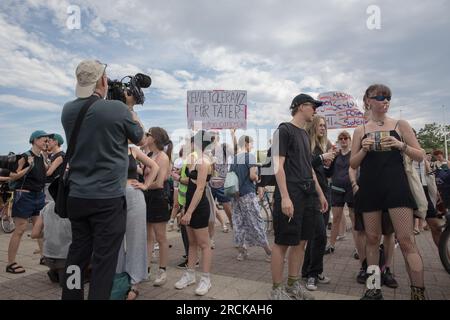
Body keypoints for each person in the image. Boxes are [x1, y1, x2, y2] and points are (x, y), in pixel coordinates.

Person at [61, 60, 145, 300]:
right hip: (107, 198)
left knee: (77, 254)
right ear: (103, 81)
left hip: (77, 197)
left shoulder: (67, 109)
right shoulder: (117, 110)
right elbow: (139, 138)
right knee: (104, 261)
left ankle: (71, 296)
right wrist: (128, 106)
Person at [351, 84, 425, 300]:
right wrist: (364, 149)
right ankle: (373, 288)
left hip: (396, 188)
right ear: (368, 100)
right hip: (371, 190)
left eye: (388, 97)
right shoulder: (360, 130)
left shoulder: (400, 125)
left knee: (405, 239)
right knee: (372, 239)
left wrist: (399, 145)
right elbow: (353, 164)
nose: (385, 100)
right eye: (380, 97)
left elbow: (420, 155)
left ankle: (418, 292)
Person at [269, 94, 328, 300]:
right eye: (313, 106)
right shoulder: (283, 130)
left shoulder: (304, 134)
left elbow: (309, 168)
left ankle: (293, 284)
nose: (315, 110)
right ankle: (277, 289)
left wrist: (319, 193)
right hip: (291, 192)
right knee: (282, 242)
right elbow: (278, 165)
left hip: (308, 193)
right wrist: (285, 197)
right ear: (301, 106)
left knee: (301, 241)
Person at [175, 130, 213, 296]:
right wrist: (184, 208)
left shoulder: (204, 161)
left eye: (190, 141)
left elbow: (200, 188)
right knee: (191, 243)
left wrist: (189, 211)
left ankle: (206, 279)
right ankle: (190, 274)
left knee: (204, 244)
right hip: (189, 206)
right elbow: (188, 186)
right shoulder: (192, 160)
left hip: (199, 207)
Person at [6, 130, 50, 274]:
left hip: (38, 196)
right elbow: (13, 176)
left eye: (47, 140)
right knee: (20, 229)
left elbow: (45, 174)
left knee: (40, 229)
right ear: (35, 140)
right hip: (25, 196)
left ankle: (44, 257)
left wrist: (46, 161)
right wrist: (28, 167)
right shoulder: (24, 157)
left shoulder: (42, 157)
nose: (46, 142)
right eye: (44, 139)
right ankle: (11, 263)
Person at [301, 115, 333, 291]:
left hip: (325, 192)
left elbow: (326, 174)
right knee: (319, 235)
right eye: (320, 125)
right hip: (312, 194)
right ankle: (313, 274)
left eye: (324, 125)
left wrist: (329, 164)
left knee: (316, 236)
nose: (323, 128)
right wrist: (321, 158)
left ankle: (309, 271)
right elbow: (305, 165)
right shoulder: (307, 145)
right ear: (313, 126)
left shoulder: (323, 145)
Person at [230, 135, 272, 262]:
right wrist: (259, 180)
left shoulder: (235, 159)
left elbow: (231, 176)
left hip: (236, 196)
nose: (252, 146)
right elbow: (253, 175)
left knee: (239, 224)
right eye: (252, 144)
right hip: (248, 194)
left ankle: (242, 253)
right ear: (247, 144)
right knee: (256, 223)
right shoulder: (250, 157)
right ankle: (269, 253)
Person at [144, 127, 173, 287]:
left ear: (154, 138)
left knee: (160, 237)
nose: (145, 137)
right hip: (147, 197)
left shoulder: (162, 157)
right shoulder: (149, 155)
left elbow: (159, 183)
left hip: (158, 198)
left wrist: (143, 185)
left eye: (148, 134)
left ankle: (162, 271)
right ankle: (146, 269)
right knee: (148, 237)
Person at [326, 130, 355, 254]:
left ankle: (358, 247)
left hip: (351, 189)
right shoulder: (335, 155)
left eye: (346, 138)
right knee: (336, 218)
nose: (343, 140)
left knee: (353, 218)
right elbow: (328, 172)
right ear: (338, 141)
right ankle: (331, 245)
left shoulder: (354, 154)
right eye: (341, 138)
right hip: (337, 189)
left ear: (350, 140)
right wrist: (328, 160)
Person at [31, 201, 72, 287]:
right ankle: (67, 274)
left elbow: (34, 234)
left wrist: (49, 232)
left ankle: (54, 271)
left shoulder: (46, 207)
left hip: (47, 258)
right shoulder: (76, 206)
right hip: (65, 258)